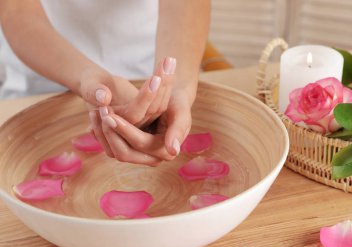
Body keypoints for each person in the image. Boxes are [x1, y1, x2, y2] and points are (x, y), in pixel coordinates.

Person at [0, 0, 210, 165]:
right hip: (39, 86)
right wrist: (85, 77)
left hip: (149, 74)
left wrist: (177, 86)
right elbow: (18, 12)